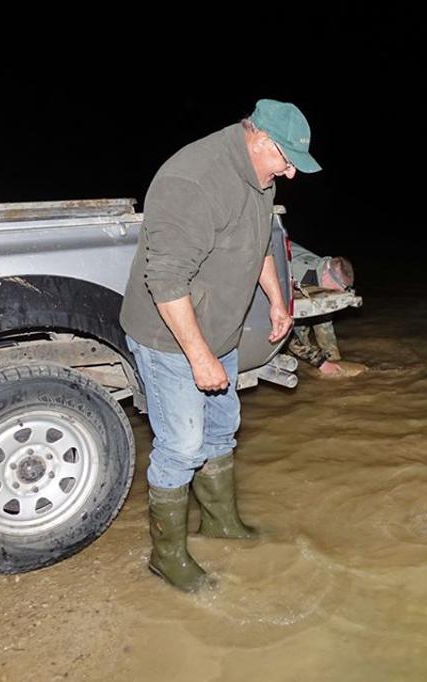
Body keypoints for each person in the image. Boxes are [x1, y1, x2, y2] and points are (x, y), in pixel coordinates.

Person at [119, 99, 321, 591]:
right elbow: (164, 282)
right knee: (182, 445)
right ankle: (166, 557)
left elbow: (255, 247)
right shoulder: (193, 181)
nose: (290, 175)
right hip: (171, 338)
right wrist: (201, 357)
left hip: (220, 331)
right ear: (261, 139)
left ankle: (219, 523)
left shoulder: (259, 175)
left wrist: (278, 301)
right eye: (287, 160)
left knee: (221, 429)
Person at [287, 241, 354, 375]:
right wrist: (320, 362)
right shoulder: (296, 277)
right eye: (336, 290)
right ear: (326, 276)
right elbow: (282, 330)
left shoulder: (323, 271)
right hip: (271, 272)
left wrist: (333, 359)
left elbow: (324, 319)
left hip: (302, 282)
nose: (336, 294)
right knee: (296, 330)